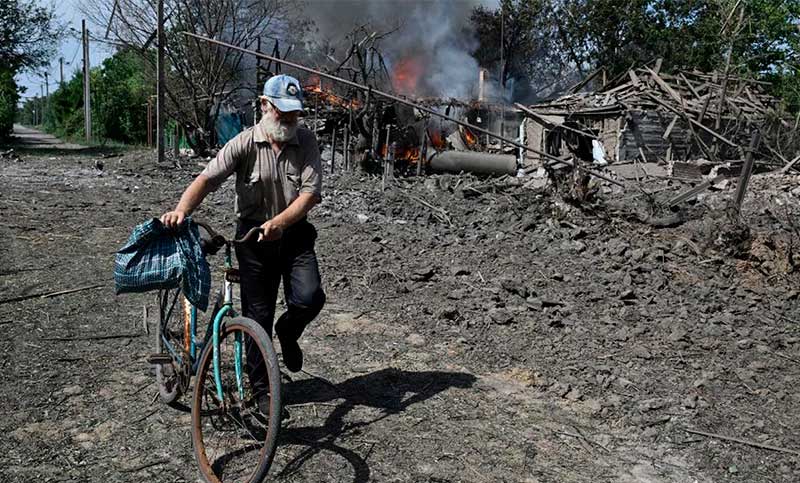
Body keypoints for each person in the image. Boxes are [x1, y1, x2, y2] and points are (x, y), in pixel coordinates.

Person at [160, 75, 326, 391]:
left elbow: (310, 195)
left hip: (293, 233)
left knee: (310, 298)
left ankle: (289, 331)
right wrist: (182, 210)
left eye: (294, 113)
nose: (289, 119)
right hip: (254, 239)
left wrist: (280, 223)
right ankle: (263, 390)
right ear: (265, 105)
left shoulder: (306, 142)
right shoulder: (244, 143)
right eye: (282, 111)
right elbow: (207, 179)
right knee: (256, 318)